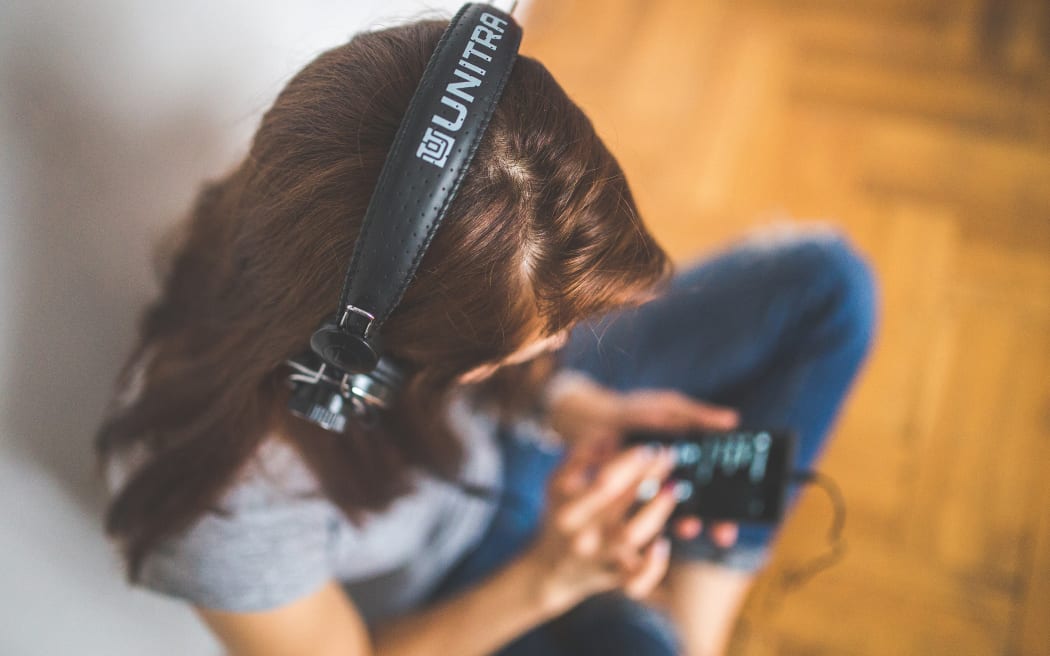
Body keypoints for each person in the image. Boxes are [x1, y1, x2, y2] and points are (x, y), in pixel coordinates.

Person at [95, 14, 877, 656]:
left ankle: (694, 623)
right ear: (367, 365)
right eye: (539, 338)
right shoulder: (215, 506)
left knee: (827, 289)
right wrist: (551, 577)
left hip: (516, 444)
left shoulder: (329, 221)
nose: (558, 347)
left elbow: (524, 356)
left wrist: (566, 406)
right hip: (472, 590)